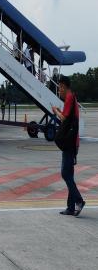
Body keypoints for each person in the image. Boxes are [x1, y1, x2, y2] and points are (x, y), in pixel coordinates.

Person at [52, 75, 85, 216]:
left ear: (64, 86)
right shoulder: (72, 98)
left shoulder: (70, 97)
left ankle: (79, 200)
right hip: (72, 141)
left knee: (65, 173)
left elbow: (64, 118)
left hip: (70, 142)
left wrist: (56, 111)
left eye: (59, 87)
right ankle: (71, 207)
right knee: (69, 173)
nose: (59, 90)